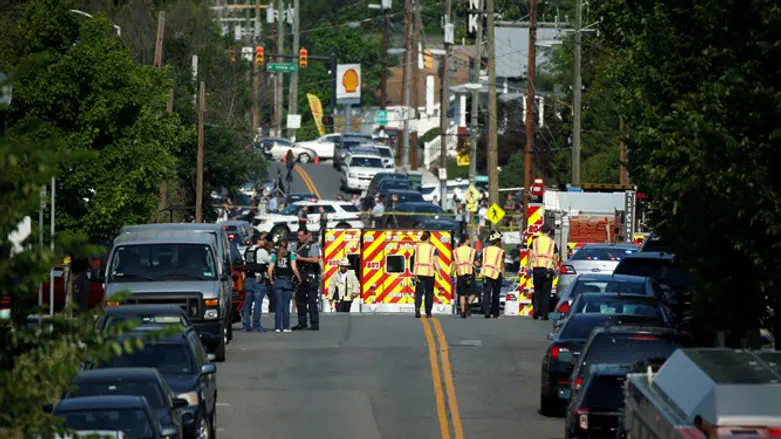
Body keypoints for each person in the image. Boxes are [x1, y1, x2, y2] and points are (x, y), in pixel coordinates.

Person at [527, 223, 559, 321]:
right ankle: (544, 314)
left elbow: (530, 256)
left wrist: (529, 268)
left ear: (541, 231)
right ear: (549, 231)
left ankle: (536, 311)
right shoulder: (552, 242)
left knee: (537, 290)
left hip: (537, 269)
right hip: (547, 270)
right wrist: (556, 268)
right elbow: (554, 257)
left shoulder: (535, 241)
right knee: (546, 292)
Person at [267, 238, 300, 333]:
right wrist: (298, 277)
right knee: (286, 305)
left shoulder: (275, 255)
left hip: (278, 281)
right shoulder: (291, 255)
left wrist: (271, 280)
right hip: (287, 281)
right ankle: (286, 327)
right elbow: (294, 268)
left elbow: (269, 270)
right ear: (287, 246)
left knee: (278, 305)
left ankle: (277, 327)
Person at [292, 229, 323, 331]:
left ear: (306, 236)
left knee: (312, 301)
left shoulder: (313, 245)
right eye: (298, 236)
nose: (299, 238)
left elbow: (315, 259)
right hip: (300, 274)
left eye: (301, 236)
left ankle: (315, 324)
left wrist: (301, 259)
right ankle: (302, 323)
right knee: (300, 301)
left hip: (310, 274)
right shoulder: (295, 246)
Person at [242, 236, 271, 332]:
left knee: (247, 304)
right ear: (258, 241)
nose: (264, 241)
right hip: (258, 279)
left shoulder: (248, 250)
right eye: (262, 240)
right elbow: (270, 260)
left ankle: (246, 325)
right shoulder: (261, 251)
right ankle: (256, 326)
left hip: (249, 279)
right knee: (258, 304)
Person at [413, 231, 441, 318]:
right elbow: (435, 261)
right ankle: (428, 313)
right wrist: (439, 273)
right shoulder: (433, 248)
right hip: (429, 273)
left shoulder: (417, 247)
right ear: (429, 238)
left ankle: (417, 309)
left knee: (418, 292)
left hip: (419, 272)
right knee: (429, 293)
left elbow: (414, 260)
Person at [453, 235, 480, 318]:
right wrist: (480, 264)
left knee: (462, 294)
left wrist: (451, 273)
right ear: (466, 240)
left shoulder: (456, 251)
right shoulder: (472, 251)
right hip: (470, 273)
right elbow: (476, 263)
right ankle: (468, 303)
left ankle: (463, 311)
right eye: (469, 239)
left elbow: (454, 263)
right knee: (474, 292)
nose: (470, 241)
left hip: (460, 273)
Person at [481, 230, 505, 319]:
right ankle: (495, 313)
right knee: (496, 294)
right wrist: (503, 275)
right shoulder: (501, 251)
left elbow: (481, 262)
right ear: (497, 240)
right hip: (496, 274)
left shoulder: (485, 250)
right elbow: (502, 264)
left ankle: (486, 312)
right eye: (499, 239)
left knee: (486, 293)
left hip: (486, 273)